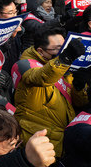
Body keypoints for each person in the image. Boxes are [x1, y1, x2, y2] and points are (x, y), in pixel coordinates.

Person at [13, 27, 88, 156]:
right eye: (58, 48)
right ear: (41, 51)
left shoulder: (65, 69)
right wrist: (65, 59)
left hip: (61, 140)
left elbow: (78, 103)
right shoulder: (25, 64)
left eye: (65, 46)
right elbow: (42, 77)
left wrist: (79, 87)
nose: (63, 51)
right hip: (37, 143)